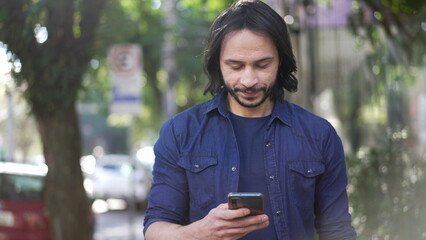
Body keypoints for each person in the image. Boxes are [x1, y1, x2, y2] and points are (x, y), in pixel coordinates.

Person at [143, 0, 357, 239]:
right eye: (235, 66)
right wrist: (202, 232)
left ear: (281, 61)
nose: (248, 80)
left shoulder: (319, 134)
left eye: (262, 64)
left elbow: (337, 230)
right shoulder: (180, 132)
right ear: (217, 64)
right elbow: (155, 229)